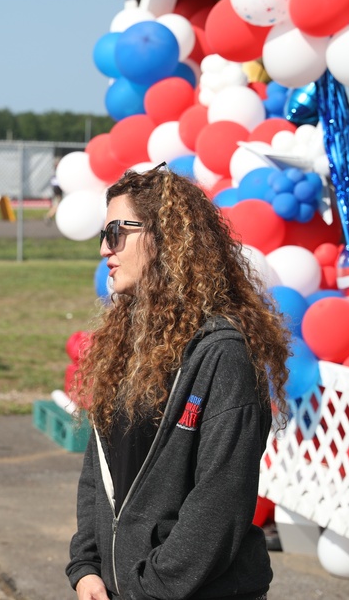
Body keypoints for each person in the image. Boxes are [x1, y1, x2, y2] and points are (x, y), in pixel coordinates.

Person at [65, 165, 290, 600]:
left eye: (115, 232)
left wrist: (150, 588)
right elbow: (99, 472)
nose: (103, 250)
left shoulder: (222, 352)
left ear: (165, 236)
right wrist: (87, 565)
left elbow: (219, 502)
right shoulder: (125, 344)